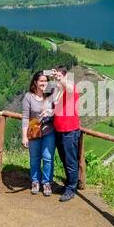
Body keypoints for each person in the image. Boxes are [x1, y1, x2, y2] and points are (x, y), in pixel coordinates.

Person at [47, 63, 81, 202]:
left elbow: (70, 88)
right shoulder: (58, 91)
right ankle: (69, 184)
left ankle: (71, 189)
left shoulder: (71, 88)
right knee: (64, 159)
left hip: (70, 131)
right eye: (56, 77)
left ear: (65, 76)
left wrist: (60, 79)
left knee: (70, 161)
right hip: (59, 130)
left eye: (59, 76)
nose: (57, 79)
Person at [20, 70, 57, 196]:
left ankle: (47, 182)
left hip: (49, 131)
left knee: (48, 158)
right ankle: (35, 181)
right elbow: (25, 117)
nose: (44, 83)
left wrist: (51, 113)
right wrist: (24, 136)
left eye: (46, 81)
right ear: (35, 82)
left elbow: (57, 111)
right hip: (34, 132)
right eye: (41, 81)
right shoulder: (28, 97)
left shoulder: (51, 95)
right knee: (35, 158)